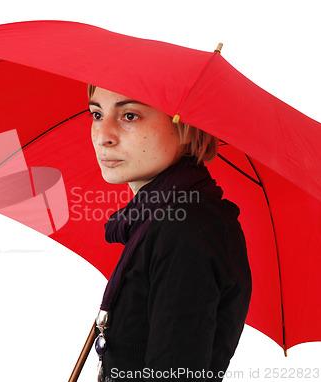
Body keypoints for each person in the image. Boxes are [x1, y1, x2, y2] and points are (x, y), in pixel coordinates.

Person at [88, 85, 252, 382]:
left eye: (129, 115)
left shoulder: (184, 230)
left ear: (188, 128)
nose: (103, 136)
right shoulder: (154, 220)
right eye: (97, 114)